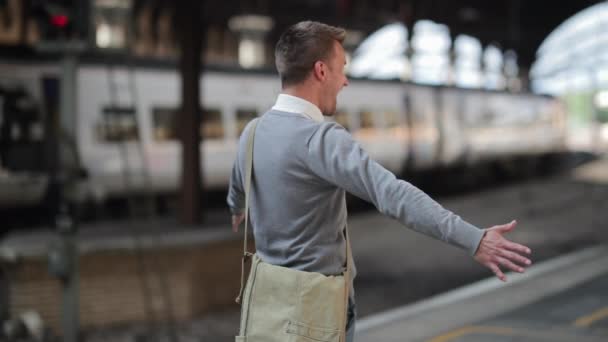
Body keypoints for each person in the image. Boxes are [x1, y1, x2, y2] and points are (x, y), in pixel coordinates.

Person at [227, 20, 532, 342]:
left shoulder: (253, 131)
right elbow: (392, 195)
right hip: (312, 310)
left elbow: (238, 188)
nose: (345, 81)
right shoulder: (321, 139)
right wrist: (474, 239)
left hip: (267, 303)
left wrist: (238, 208)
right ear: (320, 71)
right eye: (341, 68)